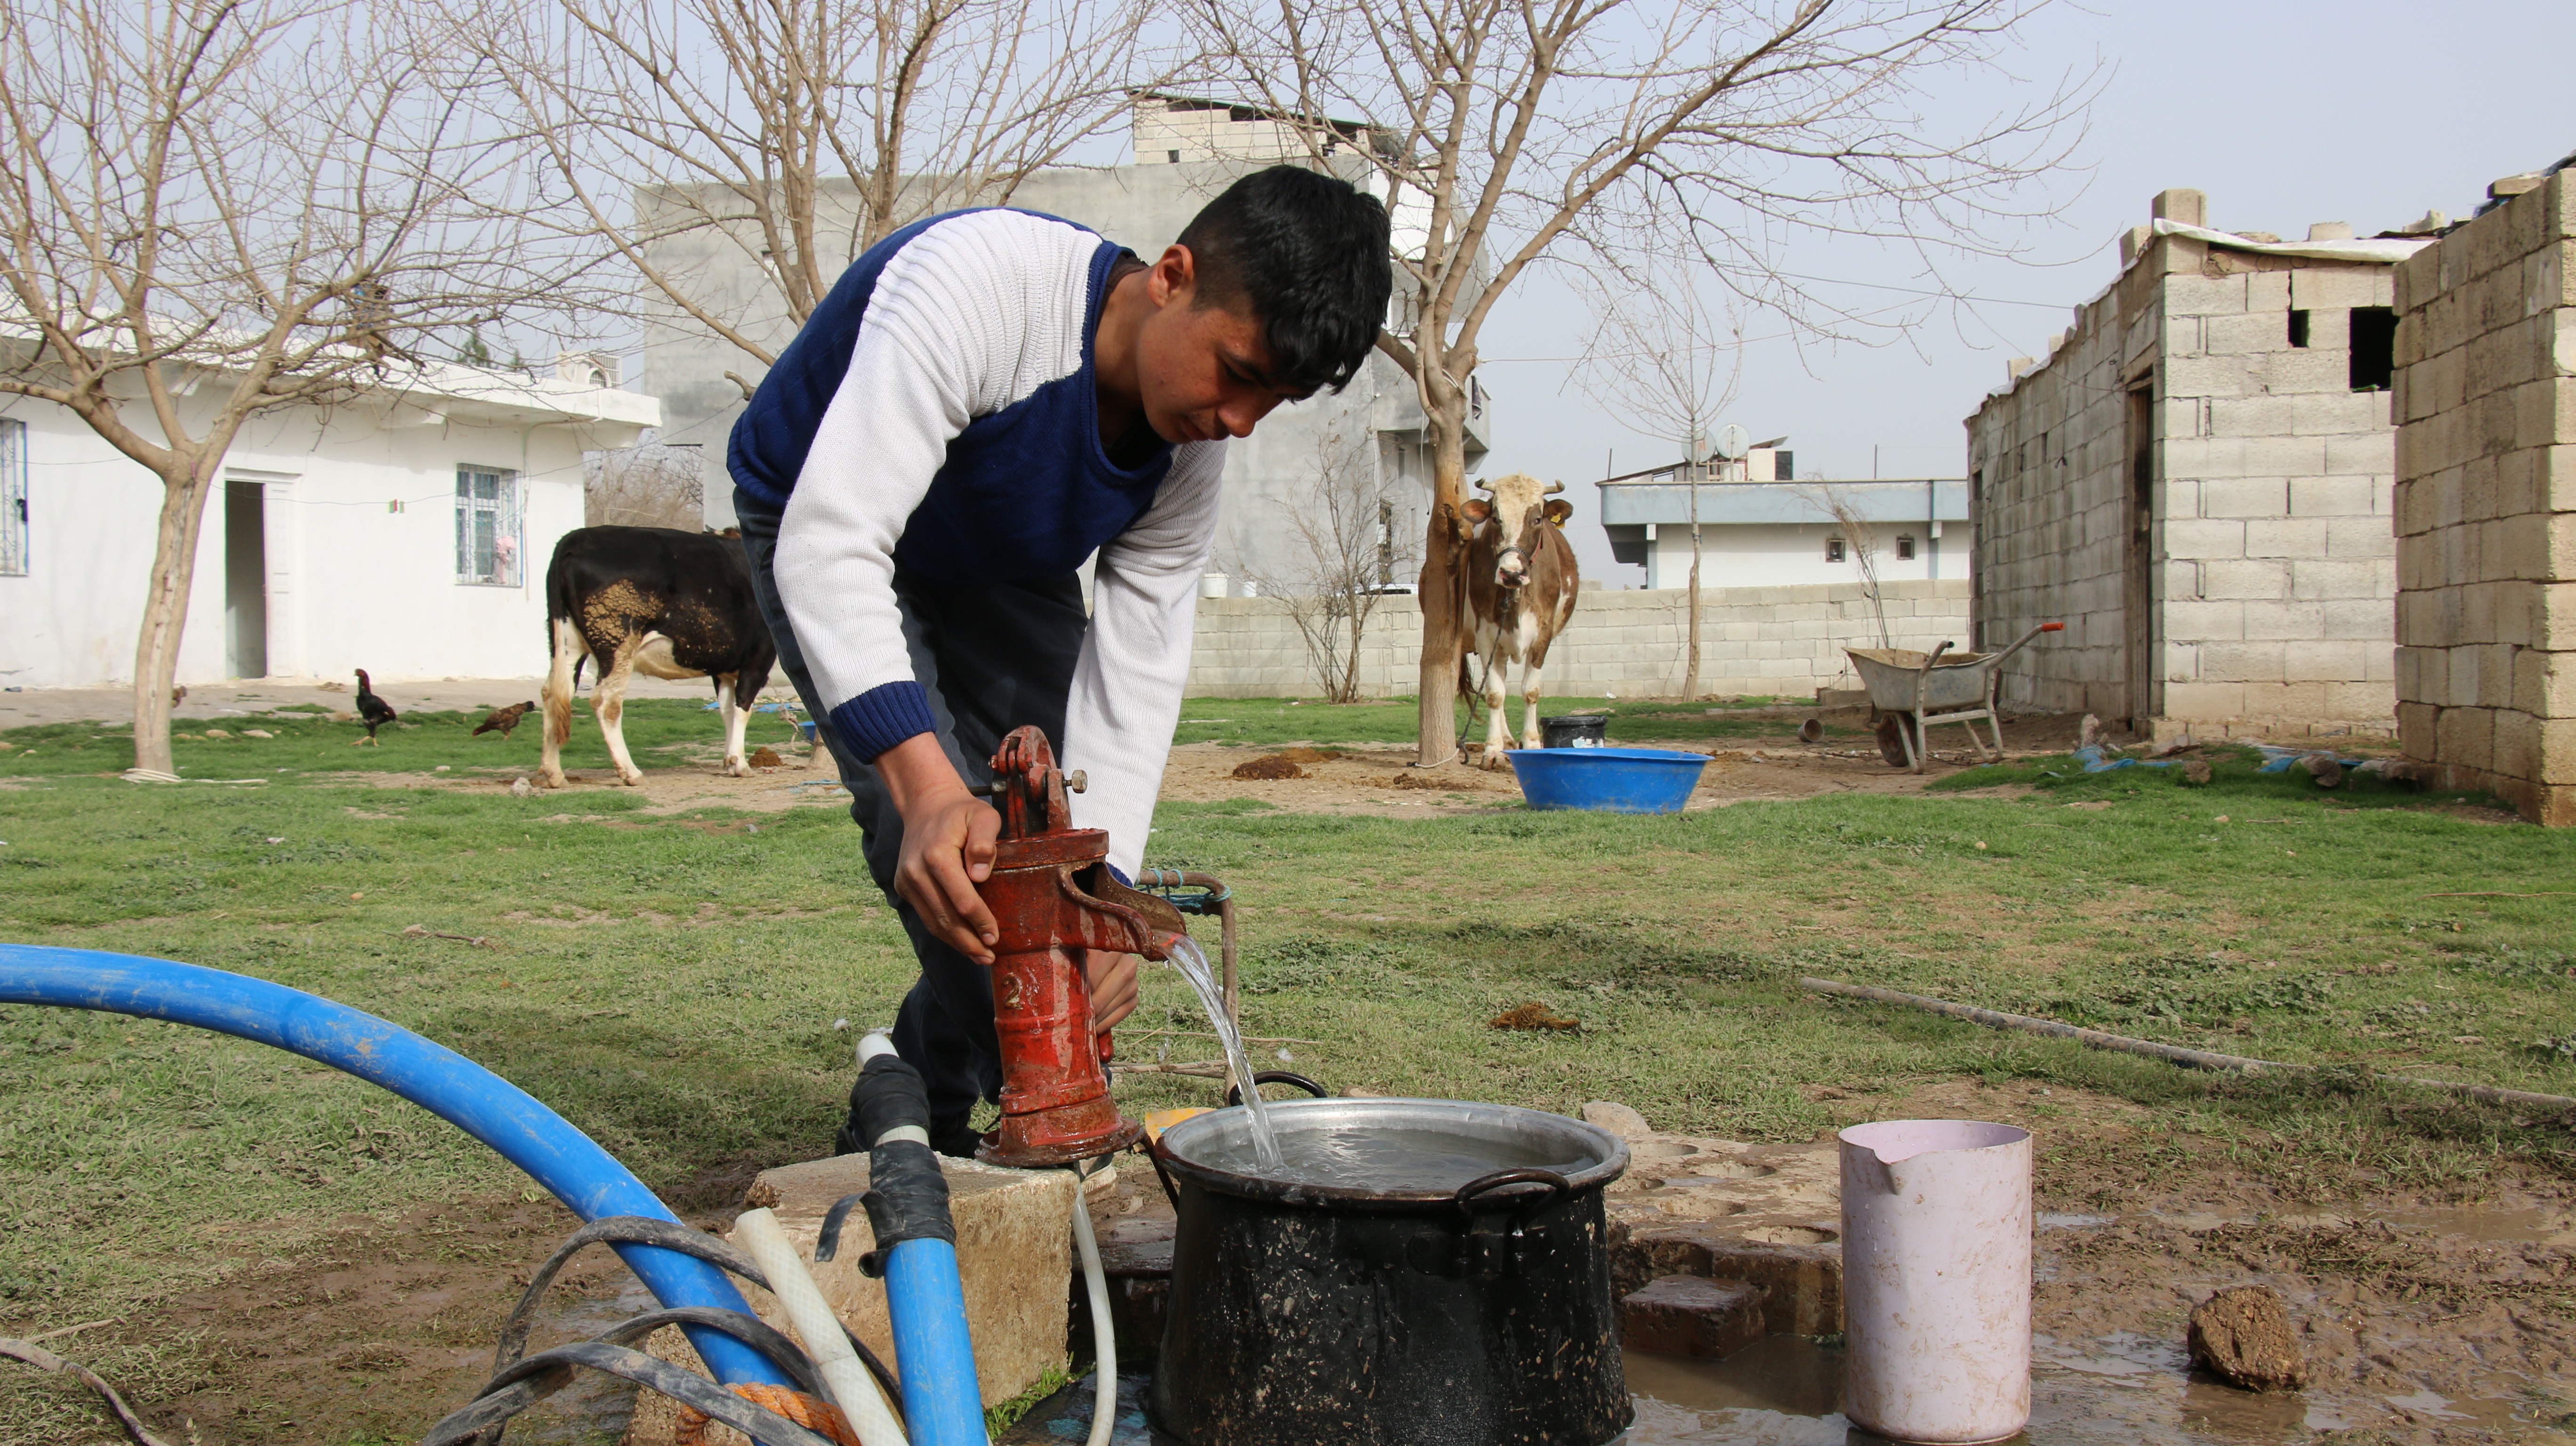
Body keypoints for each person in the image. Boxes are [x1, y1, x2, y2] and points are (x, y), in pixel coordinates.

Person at [729, 166, 1392, 1156]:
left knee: (1046, 845)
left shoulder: (1188, 446)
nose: (1240, 423)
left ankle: (916, 1085)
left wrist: (1100, 892)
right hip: (822, 519)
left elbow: (1137, 671)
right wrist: (922, 788)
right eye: (1240, 373)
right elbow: (835, 545)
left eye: (1275, 402)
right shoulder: (980, 287)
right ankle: (1045, 1113)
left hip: (1001, 553)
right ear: (1172, 276)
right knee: (946, 835)